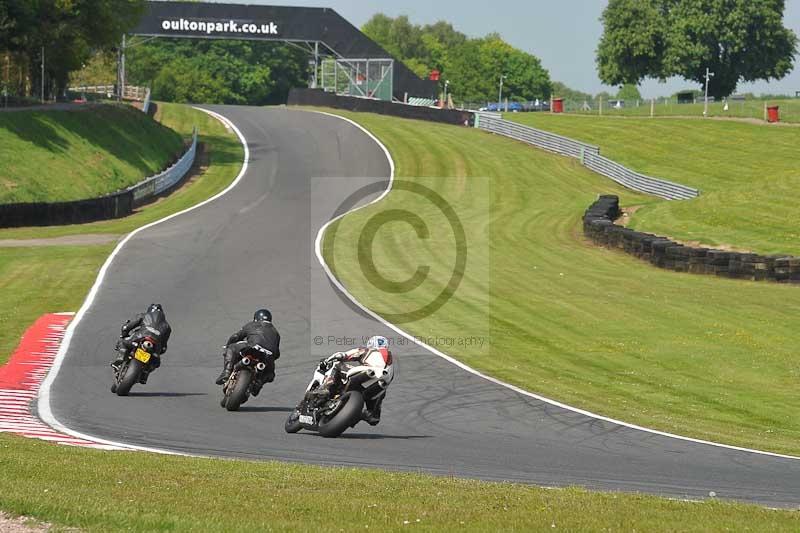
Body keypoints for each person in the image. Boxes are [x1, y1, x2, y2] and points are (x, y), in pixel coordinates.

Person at [307, 335, 393, 426]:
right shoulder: (390, 362)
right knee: (373, 417)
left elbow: (343, 355)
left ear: (371, 344)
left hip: (367, 373)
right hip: (379, 386)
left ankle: (326, 388)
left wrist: (327, 360)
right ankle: (357, 416)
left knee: (337, 364)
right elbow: (374, 420)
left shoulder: (367, 350)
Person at [215, 308, 280, 396]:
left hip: (252, 347)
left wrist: (227, 346)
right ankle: (258, 383)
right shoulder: (276, 332)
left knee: (231, 348)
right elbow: (277, 353)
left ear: (256, 318)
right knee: (270, 374)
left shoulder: (252, 325)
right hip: (268, 356)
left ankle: (227, 371)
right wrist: (270, 358)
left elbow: (236, 336)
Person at [112, 303, 172, 384]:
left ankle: (119, 361)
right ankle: (145, 373)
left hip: (140, 337)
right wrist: (158, 352)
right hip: (154, 345)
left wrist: (123, 335)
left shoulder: (143, 315)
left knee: (123, 342)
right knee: (156, 362)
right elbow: (164, 347)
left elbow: (127, 327)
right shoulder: (167, 327)